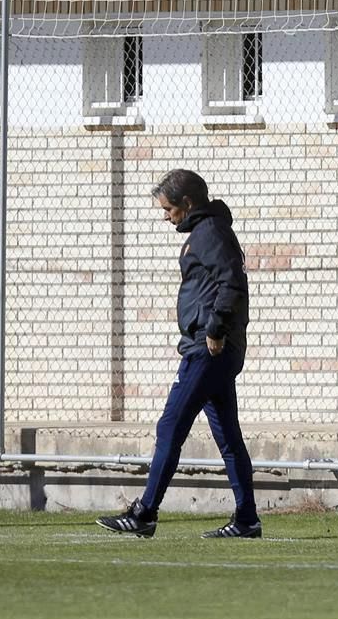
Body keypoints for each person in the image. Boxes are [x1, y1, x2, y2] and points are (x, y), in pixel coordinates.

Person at [97, 169, 260, 539]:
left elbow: (231, 283)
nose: (165, 215)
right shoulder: (205, 233)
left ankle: (145, 512)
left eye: (169, 208)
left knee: (170, 425)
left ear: (187, 204)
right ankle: (247, 519)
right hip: (208, 346)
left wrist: (215, 331)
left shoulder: (210, 234)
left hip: (208, 349)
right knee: (228, 436)